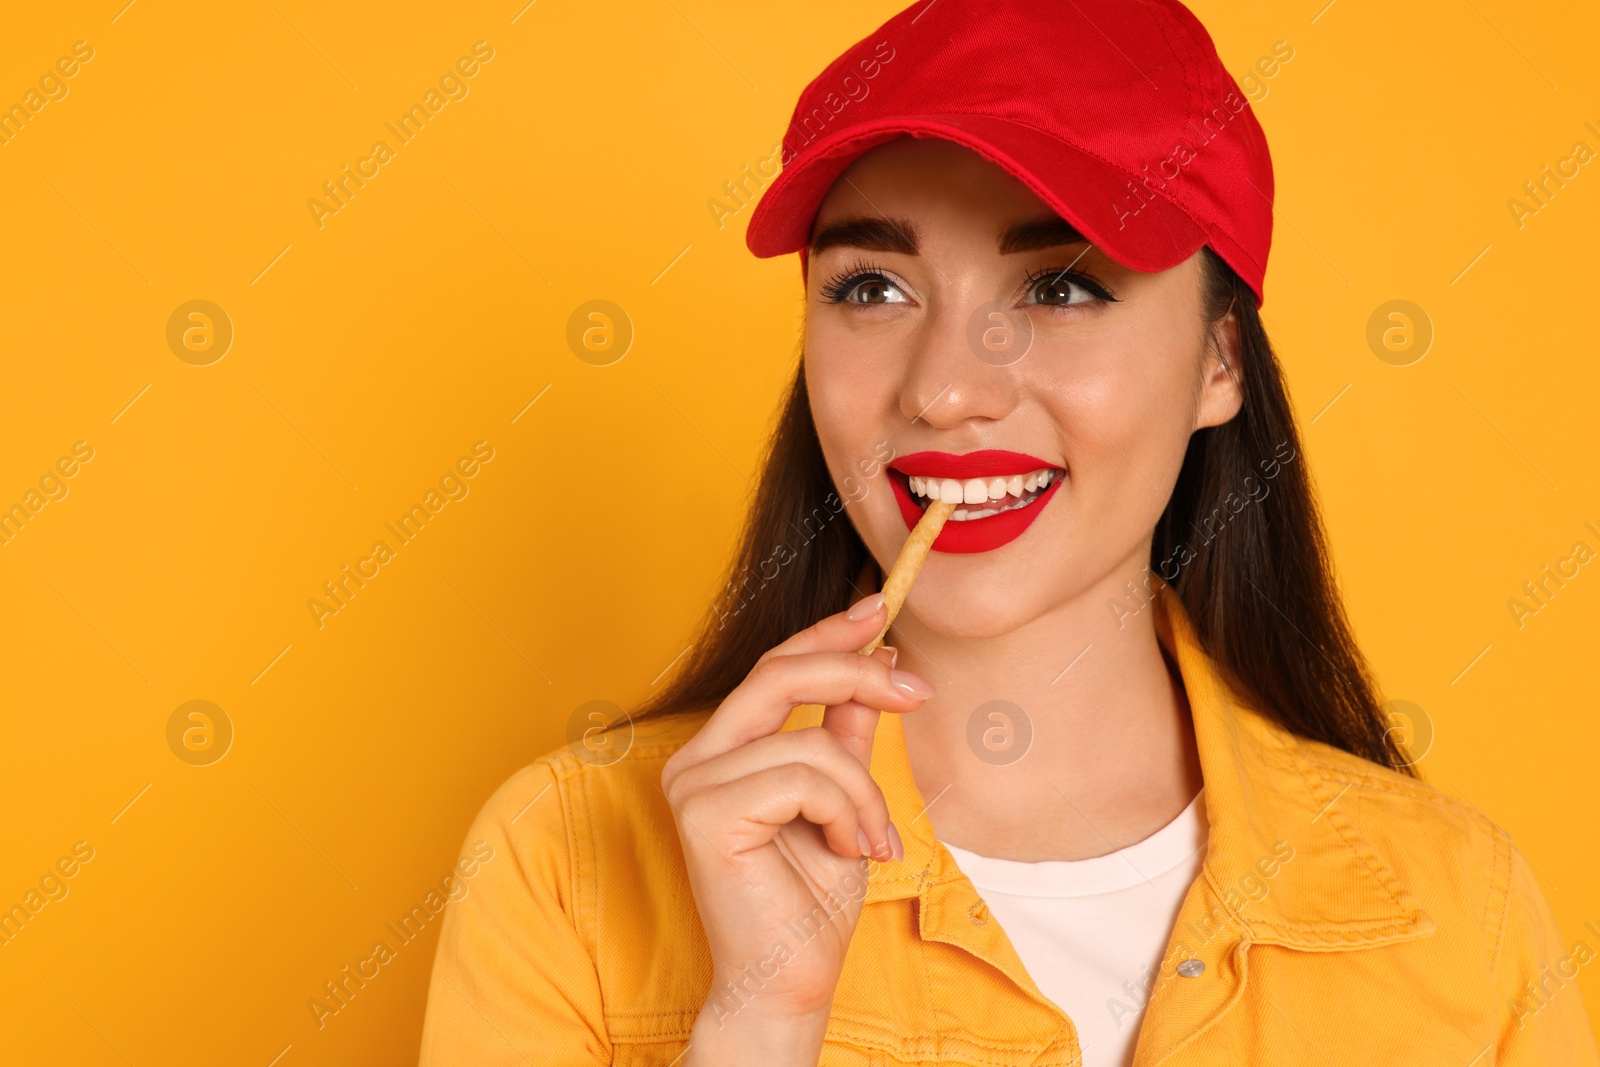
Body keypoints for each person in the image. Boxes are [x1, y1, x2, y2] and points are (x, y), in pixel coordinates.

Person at [418, 1, 1600, 1064]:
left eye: (1061, 285)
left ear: (1218, 359)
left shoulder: (1463, 914)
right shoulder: (565, 860)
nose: (944, 392)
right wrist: (759, 1021)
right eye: (871, 288)